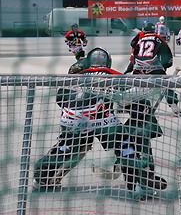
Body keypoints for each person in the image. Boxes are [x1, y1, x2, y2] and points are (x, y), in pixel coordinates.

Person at [33, 47, 167, 200]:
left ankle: (40, 178)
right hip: (101, 122)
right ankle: (136, 186)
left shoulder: (77, 75)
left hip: (70, 120)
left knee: (66, 146)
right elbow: (126, 96)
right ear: (107, 62)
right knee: (125, 144)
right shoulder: (111, 74)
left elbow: (60, 98)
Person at [124, 22, 181, 116]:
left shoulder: (140, 39)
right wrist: (166, 65)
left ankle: (124, 103)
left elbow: (133, 54)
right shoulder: (158, 38)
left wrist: (129, 70)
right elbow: (167, 57)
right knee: (166, 85)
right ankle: (174, 106)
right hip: (153, 68)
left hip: (138, 68)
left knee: (130, 83)